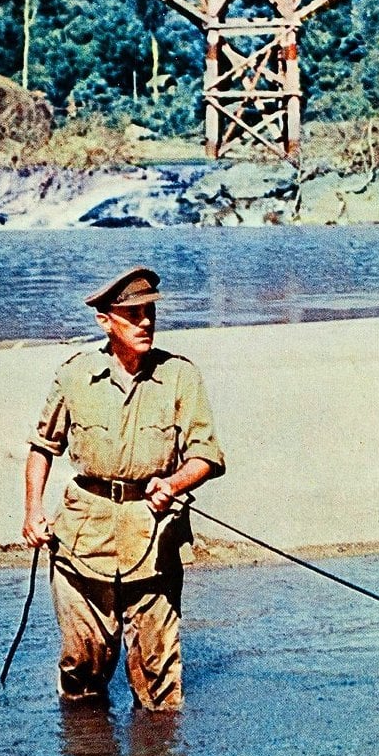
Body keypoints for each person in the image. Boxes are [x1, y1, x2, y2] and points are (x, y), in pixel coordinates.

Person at [22, 266, 224, 710]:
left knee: (159, 681)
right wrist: (32, 512)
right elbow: (42, 447)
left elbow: (207, 456)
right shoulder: (74, 376)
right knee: (81, 669)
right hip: (82, 541)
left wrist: (173, 482)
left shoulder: (179, 377)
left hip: (153, 539)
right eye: (133, 314)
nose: (146, 322)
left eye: (149, 312)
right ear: (105, 320)